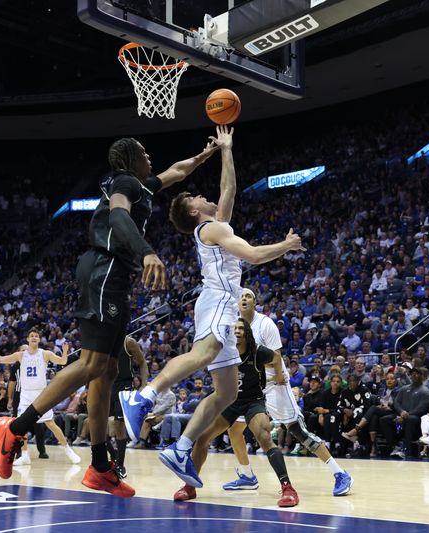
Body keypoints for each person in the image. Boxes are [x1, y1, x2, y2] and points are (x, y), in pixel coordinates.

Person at [0, 133, 218, 497]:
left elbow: (177, 171)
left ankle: (98, 466)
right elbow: (119, 217)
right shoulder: (124, 183)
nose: (150, 155)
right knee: (93, 364)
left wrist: (205, 156)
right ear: (129, 159)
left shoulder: (142, 185)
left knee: (108, 371)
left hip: (116, 277)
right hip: (104, 270)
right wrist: (146, 251)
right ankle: (15, 428)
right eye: (144, 151)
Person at [120, 126, 305, 489]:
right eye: (197, 196)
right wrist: (286, 245)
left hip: (219, 304)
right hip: (219, 300)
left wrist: (227, 149)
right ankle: (143, 396)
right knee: (205, 351)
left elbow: (229, 189)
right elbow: (252, 255)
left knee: (228, 393)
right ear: (193, 209)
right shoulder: (210, 230)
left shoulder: (215, 225)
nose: (204, 196)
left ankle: (181, 447)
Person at [223, 289, 352, 497]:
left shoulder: (265, 324)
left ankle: (340, 473)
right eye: (241, 296)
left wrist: (280, 377)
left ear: (255, 301)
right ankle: (247, 476)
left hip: (275, 384)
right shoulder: (235, 327)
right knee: (234, 430)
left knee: (296, 430)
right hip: (252, 387)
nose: (244, 299)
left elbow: (275, 356)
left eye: (249, 296)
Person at [171, 319, 299, 506]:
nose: (237, 331)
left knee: (264, 437)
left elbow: (277, 358)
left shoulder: (258, 352)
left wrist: (279, 375)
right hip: (230, 401)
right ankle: (189, 486)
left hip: (253, 401)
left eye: (240, 328)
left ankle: (288, 488)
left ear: (247, 332)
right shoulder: (223, 352)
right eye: (234, 328)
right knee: (202, 438)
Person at [0, 329, 80, 466]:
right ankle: (25, 455)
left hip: (41, 394)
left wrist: (65, 351)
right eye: (32, 336)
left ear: (39, 340)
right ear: (28, 340)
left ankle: (69, 451)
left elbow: (63, 361)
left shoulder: (45, 354)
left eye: (36, 336)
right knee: (21, 425)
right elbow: (2, 360)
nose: (34, 337)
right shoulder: (21, 355)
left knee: (50, 423)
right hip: (25, 395)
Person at [107, 336, 149, 479]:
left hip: (124, 385)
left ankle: (120, 464)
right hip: (106, 384)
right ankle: (114, 456)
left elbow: (142, 362)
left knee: (119, 424)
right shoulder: (100, 339)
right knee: (97, 426)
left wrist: (143, 385)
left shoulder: (128, 342)